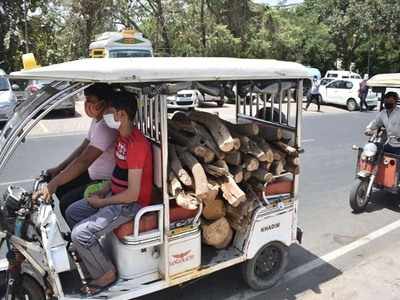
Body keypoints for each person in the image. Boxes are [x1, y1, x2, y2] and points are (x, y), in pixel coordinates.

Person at [65, 90, 153, 296]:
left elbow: (132, 194)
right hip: (116, 195)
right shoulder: (122, 138)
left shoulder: (137, 144)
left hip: (132, 205)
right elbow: (118, 171)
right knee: (72, 211)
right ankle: (92, 255)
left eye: (109, 112)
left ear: (121, 115)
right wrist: (103, 191)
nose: (105, 116)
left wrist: (101, 203)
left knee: (81, 233)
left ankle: (107, 273)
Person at [41, 83, 117, 218]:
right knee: (61, 188)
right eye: (86, 99)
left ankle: (81, 235)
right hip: (92, 174)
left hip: (104, 180)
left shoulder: (106, 126)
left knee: (66, 203)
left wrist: (55, 182)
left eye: (90, 101)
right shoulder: (97, 121)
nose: (86, 104)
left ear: (102, 103)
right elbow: (82, 148)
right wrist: (59, 168)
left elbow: (84, 161)